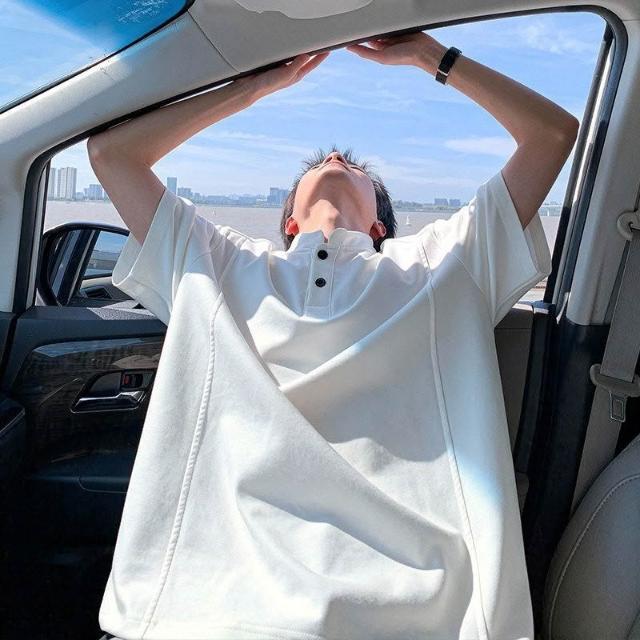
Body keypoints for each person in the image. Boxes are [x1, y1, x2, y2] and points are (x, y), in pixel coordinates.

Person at [90, 31, 578, 640]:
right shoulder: (217, 261)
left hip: (420, 617)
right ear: (289, 220)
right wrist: (253, 84)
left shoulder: (441, 263)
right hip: (211, 611)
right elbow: (112, 154)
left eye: (356, 167)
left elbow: (552, 134)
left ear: (379, 226)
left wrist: (428, 54)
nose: (338, 157)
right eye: (319, 163)